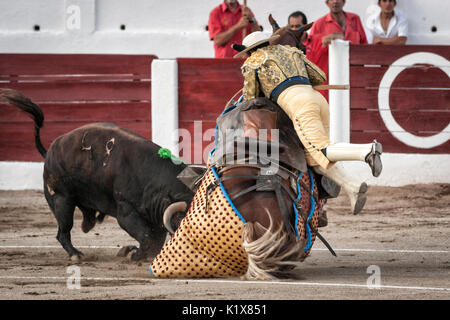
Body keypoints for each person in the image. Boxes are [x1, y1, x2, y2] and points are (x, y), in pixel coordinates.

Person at [233, 31, 383, 214]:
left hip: (298, 104)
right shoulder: (292, 52)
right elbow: (319, 77)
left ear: (250, 51)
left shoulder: (253, 61)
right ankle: (352, 187)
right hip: (317, 99)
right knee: (314, 158)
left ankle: (366, 151)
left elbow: (251, 99)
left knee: (321, 149)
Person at [307, 0, 368, 100]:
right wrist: (323, 41)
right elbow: (311, 52)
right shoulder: (319, 24)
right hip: (330, 76)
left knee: (355, 105)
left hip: (353, 74)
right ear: (327, 3)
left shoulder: (354, 19)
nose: (335, 2)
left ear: (344, 2)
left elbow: (364, 46)